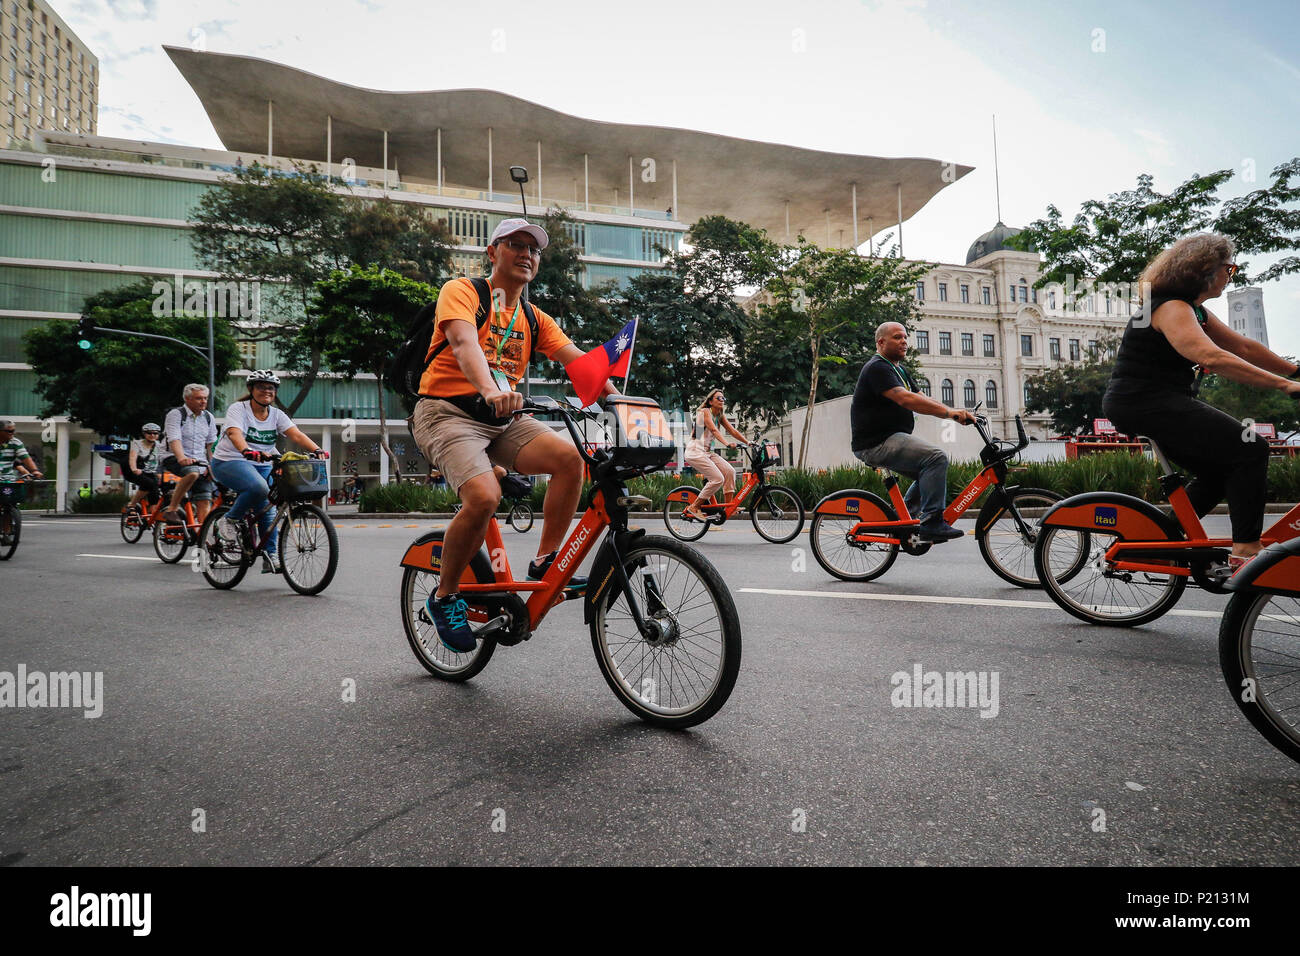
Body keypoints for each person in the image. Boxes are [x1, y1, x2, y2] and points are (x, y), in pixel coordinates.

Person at [411, 217, 619, 652]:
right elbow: (464, 343)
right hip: (446, 413)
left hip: (503, 418)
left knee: (569, 461)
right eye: (515, 245)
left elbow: (578, 361)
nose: (527, 253)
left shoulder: (533, 317)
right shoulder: (464, 291)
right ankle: (445, 596)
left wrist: (617, 396)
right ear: (492, 253)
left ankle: (545, 560)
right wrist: (488, 388)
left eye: (534, 249)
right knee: (484, 498)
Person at [1102, 233, 1300, 571]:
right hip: (1144, 401)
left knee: (1218, 472)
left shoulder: (1195, 310)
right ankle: (1246, 550)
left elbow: (1245, 348)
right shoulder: (1170, 308)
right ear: (1205, 269)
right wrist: (1285, 387)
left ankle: (1159, 540)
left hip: (1154, 401)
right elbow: (1209, 354)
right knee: (1250, 447)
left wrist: (1296, 371)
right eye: (1230, 268)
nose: (1231, 275)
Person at [851, 322, 976, 541]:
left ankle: (903, 520)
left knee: (929, 471)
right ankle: (932, 522)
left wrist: (956, 412)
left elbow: (922, 398)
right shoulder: (877, 368)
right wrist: (950, 414)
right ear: (881, 342)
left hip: (890, 438)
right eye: (898, 337)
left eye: (906, 337)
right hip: (875, 443)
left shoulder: (899, 370)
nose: (904, 342)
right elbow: (905, 398)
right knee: (935, 459)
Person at [209, 371, 327, 574]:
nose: (266, 391)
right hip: (230, 461)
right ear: (251, 390)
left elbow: (296, 435)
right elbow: (234, 432)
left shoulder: (277, 414)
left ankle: (269, 555)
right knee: (258, 488)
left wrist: (317, 449)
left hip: (263, 463)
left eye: (270, 388)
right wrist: (246, 450)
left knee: (270, 506)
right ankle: (228, 520)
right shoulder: (239, 409)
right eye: (261, 387)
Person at [682, 389, 748, 522]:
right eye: (719, 398)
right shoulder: (705, 412)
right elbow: (713, 429)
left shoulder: (720, 415)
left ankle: (729, 508)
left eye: (723, 398)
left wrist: (748, 442)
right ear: (711, 401)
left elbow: (733, 431)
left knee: (730, 471)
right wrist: (727, 444)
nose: (722, 401)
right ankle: (694, 507)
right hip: (695, 451)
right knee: (718, 479)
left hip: (707, 452)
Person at [161, 384, 218, 526]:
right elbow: (174, 439)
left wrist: (212, 465)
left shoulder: (208, 417)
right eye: (199, 398)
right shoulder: (176, 414)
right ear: (187, 399)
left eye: (205, 398)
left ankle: (202, 538)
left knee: (205, 499)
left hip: (199, 461)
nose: (203, 401)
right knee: (192, 473)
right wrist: (181, 458)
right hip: (173, 456)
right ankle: (171, 509)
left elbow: (211, 444)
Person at [0, 420, 42, 538]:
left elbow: (26, 459)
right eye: (9, 431)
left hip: (7, 477)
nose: (12, 433)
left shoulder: (16, 443)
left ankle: (6, 533)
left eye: (13, 431)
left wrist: (34, 471)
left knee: (8, 501)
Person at [123, 423, 164, 513]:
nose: (152, 435)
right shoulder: (137, 443)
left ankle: (151, 517)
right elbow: (132, 457)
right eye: (149, 433)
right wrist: (134, 469)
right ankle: (132, 504)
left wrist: (162, 472)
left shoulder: (159, 445)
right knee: (149, 484)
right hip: (137, 471)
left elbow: (162, 460)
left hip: (152, 472)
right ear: (144, 434)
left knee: (156, 492)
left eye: (155, 433)